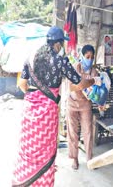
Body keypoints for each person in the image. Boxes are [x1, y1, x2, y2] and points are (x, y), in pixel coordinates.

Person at [13, 26, 101, 186]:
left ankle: (23, 180)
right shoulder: (61, 61)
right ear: (59, 45)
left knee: (28, 148)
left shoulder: (30, 58)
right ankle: (43, 181)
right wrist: (93, 81)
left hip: (29, 110)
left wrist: (34, 97)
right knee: (45, 149)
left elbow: (22, 84)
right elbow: (79, 83)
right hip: (48, 114)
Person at [66, 44, 98, 170]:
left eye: (91, 57)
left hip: (85, 105)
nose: (89, 60)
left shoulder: (94, 71)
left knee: (88, 132)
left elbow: (96, 87)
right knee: (73, 132)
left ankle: (89, 159)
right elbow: (71, 87)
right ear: (82, 56)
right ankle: (74, 159)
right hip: (72, 103)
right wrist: (87, 84)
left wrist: (83, 84)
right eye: (87, 57)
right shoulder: (75, 68)